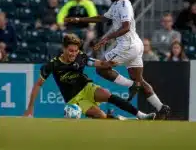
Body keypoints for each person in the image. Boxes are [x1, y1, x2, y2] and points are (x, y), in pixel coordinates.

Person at [64, 0, 171, 119]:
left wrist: (106, 38)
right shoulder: (116, 4)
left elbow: (125, 27)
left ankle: (133, 85)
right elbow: (102, 18)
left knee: (101, 68)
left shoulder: (125, 5)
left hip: (127, 45)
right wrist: (79, 20)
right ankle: (161, 107)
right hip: (135, 45)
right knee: (140, 80)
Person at [24, 34, 156, 120]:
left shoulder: (81, 56)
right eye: (70, 51)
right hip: (75, 99)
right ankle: (119, 119)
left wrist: (108, 63)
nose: (73, 54)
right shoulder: (52, 65)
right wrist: (30, 108)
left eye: (76, 51)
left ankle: (141, 115)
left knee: (106, 94)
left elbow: (96, 63)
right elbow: (38, 85)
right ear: (63, 49)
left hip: (87, 87)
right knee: (101, 116)